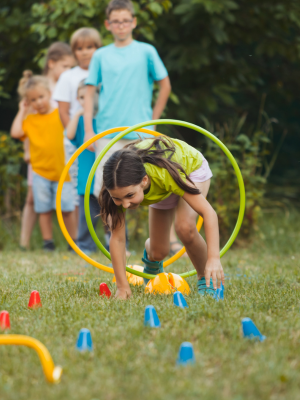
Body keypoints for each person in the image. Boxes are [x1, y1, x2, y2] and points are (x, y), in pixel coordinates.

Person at [98, 137, 224, 300]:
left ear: (144, 181)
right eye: (118, 198)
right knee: (159, 252)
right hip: (161, 187)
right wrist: (122, 287)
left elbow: (209, 213)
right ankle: (151, 261)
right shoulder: (116, 187)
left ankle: (206, 280)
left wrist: (213, 259)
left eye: (130, 196)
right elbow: (118, 239)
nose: (125, 205)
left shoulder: (164, 174)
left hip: (189, 171)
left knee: (184, 227)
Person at [83, 0, 171, 197]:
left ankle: (163, 229)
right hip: (108, 131)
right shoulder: (100, 55)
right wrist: (89, 130)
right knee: (106, 189)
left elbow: (165, 85)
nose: (121, 25)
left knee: (153, 186)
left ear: (134, 22)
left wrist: (154, 122)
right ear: (108, 24)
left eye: (125, 20)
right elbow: (89, 94)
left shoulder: (146, 51)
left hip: (142, 131)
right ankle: (113, 229)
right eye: (116, 21)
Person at [13, 43, 75, 250]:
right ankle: (47, 243)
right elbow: (16, 133)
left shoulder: (58, 113)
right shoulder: (30, 119)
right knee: (43, 208)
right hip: (40, 170)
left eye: (41, 97)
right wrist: (23, 109)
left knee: (67, 208)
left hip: (62, 170)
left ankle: (73, 242)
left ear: (49, 94)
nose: (38, 102)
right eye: (33, 100)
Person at [53, 28, 102, 237]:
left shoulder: (103, 72)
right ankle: (80, 238)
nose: (85, 52)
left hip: (101, 135)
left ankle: (111, 236)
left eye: (90, 47)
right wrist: (75, 138)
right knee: (80, 189)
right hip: (77, 137)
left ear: (97, 49)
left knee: (103, 184)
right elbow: (63, 111)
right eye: (79, 49)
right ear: (74, 52)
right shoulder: (68, 76)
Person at [66, 80, 110, 254]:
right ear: (78, 99)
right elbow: (69, 135)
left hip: (105, 176)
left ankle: (116, 243)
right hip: (87, 176)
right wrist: (78, 115)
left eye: (91, 96)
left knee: (111, 210)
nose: (87, 100)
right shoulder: (81, 122)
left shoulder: (104, 120)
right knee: (87, 215)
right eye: (82, 97)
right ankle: (85, 245)